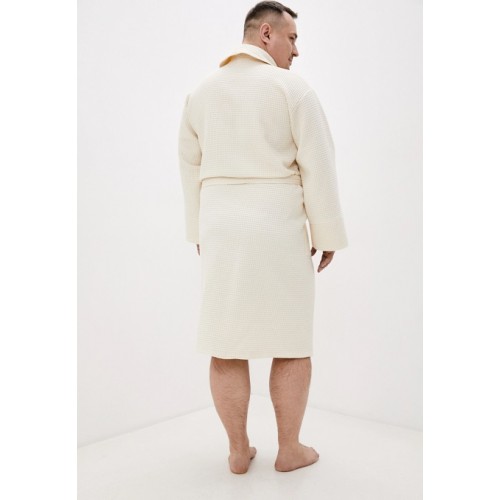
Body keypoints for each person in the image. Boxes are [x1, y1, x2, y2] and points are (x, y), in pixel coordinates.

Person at [178, 1, 348, 474]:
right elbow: (319, 165)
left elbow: (189, 167)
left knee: (226, 340)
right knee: (290, 338)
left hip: (221, 226)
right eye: (292, 38)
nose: (297, 50)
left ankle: (238, 450)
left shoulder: (201, 93)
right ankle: (289, 449)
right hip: (277, 225)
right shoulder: (292, 89)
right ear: (266, 33)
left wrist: (198, 230)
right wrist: (327, 232)